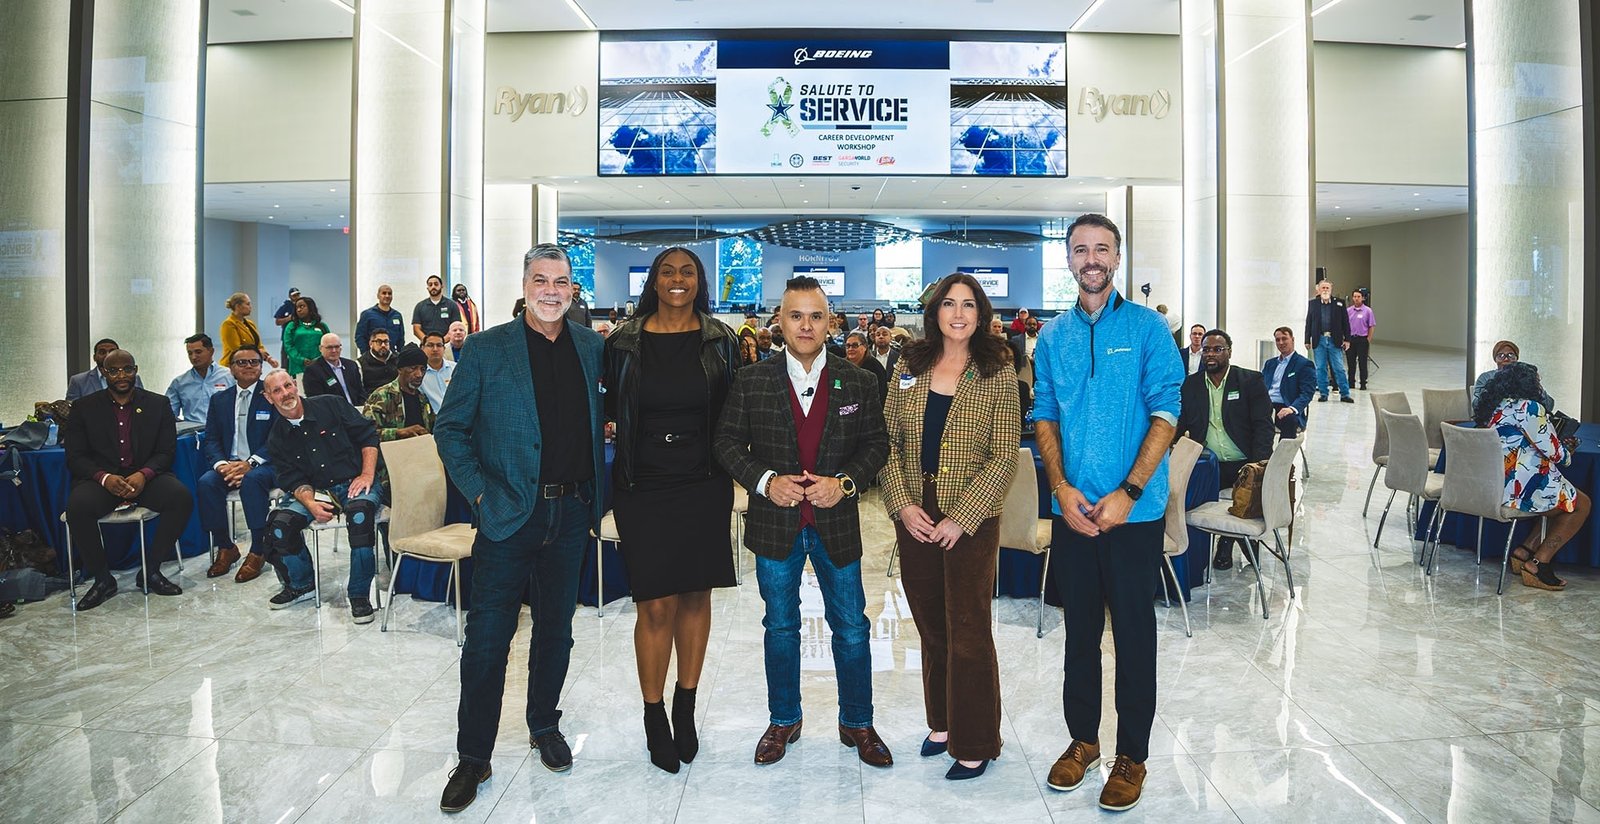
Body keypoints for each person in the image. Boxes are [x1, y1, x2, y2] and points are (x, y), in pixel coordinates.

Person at [435, 244, 605, 811]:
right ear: (525, 285)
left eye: (561, 281)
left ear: (572, 288)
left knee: (556, 630)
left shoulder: (591, 347)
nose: (551, 291)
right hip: (508, 514)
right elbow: (450, 429)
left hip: (571, 512)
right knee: (488, 640)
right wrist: (481, 494)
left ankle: (543, 724)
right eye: (540, 280)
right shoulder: (486, 349)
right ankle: (473, 757)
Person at [712, 275, 892, 771]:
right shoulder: (752, 380)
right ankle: (784, 719)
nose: (806, 325)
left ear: (831, 322)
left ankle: (857, 721)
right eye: (796, 315)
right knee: (781, 626)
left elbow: (876, 444)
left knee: (851, 627)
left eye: (816, 316)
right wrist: (766, 481)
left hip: (837, 524)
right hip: (775, 525)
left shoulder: (858, 380)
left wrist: (845, 483)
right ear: (780, 321)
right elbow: (726, 442)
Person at [1033, 214, 1182, 812]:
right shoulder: (1052, 337)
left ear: (1117, 258)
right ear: (1069, 259)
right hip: (1073, 512)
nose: (1090, 259)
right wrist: (1060, 487)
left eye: (1101, 249)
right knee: (1079, 635)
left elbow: (1166, 412)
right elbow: (1044, 414)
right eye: (1080, 250)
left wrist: (1130, 491)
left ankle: (1133, 755)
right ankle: (1084, 742)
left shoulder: (1148, 328)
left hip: (1133, 516)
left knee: (1135, 637)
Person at [603, 245, 739, 775]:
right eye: (667, 271)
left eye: (687, 272)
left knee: (695, 595)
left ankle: (686, 704)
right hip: (643, 485)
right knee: (655, 604)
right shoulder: (623, 343)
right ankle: (653, 713)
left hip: (704, 483)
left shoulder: (721, 340)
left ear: (699, 281)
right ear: (654, 282)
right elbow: (605, 407)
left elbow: (736, 410)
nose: (677, 279)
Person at [881, 273, 1019, 781]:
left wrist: (962, 517)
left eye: (968, 305)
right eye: (948, 304)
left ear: (981, 314)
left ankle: (976, 739)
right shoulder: (909, 364)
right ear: (934, 311)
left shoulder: (997, 369)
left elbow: (1005, 455)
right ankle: (941, 722)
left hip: (971, 515)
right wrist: (902, 504)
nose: (958, 314)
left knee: (968, 628)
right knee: (929, 622)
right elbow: (887, 441)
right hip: (916, 512)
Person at [63, 349, 194, 609]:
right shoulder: (84, 407)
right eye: (114, 370)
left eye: (127, 369)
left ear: (136, 370)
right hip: (103, 481)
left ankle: (150, 571)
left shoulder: (158, 404)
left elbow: (166, 452)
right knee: (77, 507)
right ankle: (103, 580)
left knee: (181, 498)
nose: (121, 375)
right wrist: (104, 478)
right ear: (103, 372)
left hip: (146, 477)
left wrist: (144, 474)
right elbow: (75, 457)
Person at [258, 370, 382, 623]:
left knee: (360, 517)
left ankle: (359, 594)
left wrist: (367, 474)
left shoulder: (332, 404)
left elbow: (368, 435)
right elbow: (293, 479)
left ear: (296, 385)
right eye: (277, 391)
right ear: (268, 397)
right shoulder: (276, 437)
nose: (285, 394)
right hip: (316, 490)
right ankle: (302, 585)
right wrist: (311, 504)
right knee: (280, 525)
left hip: (354, 480)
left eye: (288, 386)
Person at [1476, 363, 1592, 591]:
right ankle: (1538, 564)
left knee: (1559, 501)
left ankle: (1524, 551)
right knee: (1581, 505)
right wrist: (1568, 451)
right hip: (1519, 489)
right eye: (1538, 381)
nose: (1540, 385)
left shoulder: (1497, 407)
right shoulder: (1530, 408)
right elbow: (1555, 453)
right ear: (1528, 384)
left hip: (1495, 484)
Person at [1176, 329, 1274, 570]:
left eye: (1217, 349)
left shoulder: (1250, 381)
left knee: (1241, 499)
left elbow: (1263, 426)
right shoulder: (1191, 385)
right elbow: (1180, 424)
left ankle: (1227, 542)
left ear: (1229, 352)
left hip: (1244, 463)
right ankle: (1198, 553)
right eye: (1206, 349)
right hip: (1209, 465)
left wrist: (1258, 464)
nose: (1211, 354)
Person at [196, 344, 278, 581]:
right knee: (206, 483)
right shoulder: (219, 399)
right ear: (231, 368)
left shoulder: (272, 394)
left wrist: (251, 463)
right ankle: (226, 547)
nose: (248, 366)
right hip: (229, 464)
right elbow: (211, 438)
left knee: (252, 480)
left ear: (261, 367)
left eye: (254, 362)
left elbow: (278, 437)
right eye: (242, 362)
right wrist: (221, 465)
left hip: (265, 465)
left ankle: (258, 549)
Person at [362, 344, 434, 507]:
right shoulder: (382, 396)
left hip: (421, 465)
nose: (419, 374)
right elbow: (366, 436)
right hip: (390, 469)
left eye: (422, 369)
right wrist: (399, 432)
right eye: (413, 368)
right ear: (400, 369)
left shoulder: (422, 399)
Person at [1262, 326, 1317, 442]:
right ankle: (1260, 452)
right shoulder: (1269, 364)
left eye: (1284, 338)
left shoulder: (1304, 364)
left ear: (1292, 339)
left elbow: (1307, 393)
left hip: (1286, 405)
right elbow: (1260, 387)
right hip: (1266, 404)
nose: (1281, 343)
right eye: (1278, 340)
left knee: (1289, 420)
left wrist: (1292, 408)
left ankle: (1284, 453)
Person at [165, 333, 234, 424]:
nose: (193, 357)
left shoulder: (230, 376)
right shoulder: (179, 383)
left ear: (211, 351)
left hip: (223, 430)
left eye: (198, 352)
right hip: (193, 431)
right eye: (190, 353)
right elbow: (167, 414)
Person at [1305, 280, 1353, 403]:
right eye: (1323, 288)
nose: (1325, 290)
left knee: (1339, 368)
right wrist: (1307, 339)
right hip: (1319, 340)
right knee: (1320, 368)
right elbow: (1309, 322)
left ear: (1331, 290)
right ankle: (1323, 393)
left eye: (1327, 288)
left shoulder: (1339, 303)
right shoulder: (1313, 304)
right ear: (1318, 290)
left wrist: (1347, 339)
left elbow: (1345, 323)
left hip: (1334, 340)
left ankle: (1345, 394)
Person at [1472, 340, 1555, 409]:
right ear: (1495, 359)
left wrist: (1534, 384)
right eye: (1500, 356)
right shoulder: (1485, 377)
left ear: (1516, 358)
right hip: (1494, 420)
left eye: (1510, 355)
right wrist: (1495, 389)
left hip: (1524, 419)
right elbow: (1476, 405)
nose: (1506, 359)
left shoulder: (1524, 376)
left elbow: (1549, 405)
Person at [66, 338, 143, 400]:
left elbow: (142, 401)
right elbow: (72, 409)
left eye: (112, 351)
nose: (107, 355)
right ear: (94, 357)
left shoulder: (133, 378)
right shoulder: (78, 381)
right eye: (102, 352)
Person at [303, 333, 367, 406]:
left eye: (337, 347)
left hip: (357, 409)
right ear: (320, 349)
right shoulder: (313, 371)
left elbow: (361, 392)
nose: (334, 350)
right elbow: (316, 400)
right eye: (329, 347)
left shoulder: (351, 365)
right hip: (332, 411)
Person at [219, 292, 278, 368]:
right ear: (238, 306)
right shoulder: (229, 324)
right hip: (234, 366)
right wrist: (257, 353)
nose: (250, 307)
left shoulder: (250, 324)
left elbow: (259, 345)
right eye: (248, 304)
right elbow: (236, 349)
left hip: (250, 365)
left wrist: (268, 358)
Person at [281, 295, 330, 378]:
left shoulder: (322, 326)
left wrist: (318, 359)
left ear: (310, 308)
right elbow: (288, 346)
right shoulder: (292, 326)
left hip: (320, 366)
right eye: (297, 308)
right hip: (298, 367)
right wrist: (301, 360)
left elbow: (328, 344)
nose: (298, 310)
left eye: (302, 306)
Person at [355, 284, 405, 355]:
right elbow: (359, 336)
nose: (387, 296)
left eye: (389, 294)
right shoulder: (367, 314)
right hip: (373, 356)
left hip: (392, 356)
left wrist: (400, 355)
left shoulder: (397, 315)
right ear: (378, 296)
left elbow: (401, 338)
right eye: (384, 293)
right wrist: (366, 354)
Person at [843, 330, 887, 405]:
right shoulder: (841, 366)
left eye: (855, 345)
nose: (850, 349)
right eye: (848, 346)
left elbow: (881, 395)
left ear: (865, 347)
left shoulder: (875, 367)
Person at [412, 274, 461, 341]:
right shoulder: (420, 306)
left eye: (436, 284)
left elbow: (456, 327)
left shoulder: (452, 305)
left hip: (447, 344)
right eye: (430, 285)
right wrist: (427, 342)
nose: (433, 287)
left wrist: (442, 341)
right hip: (426, 344)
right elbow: (416, 329)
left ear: (442, 286)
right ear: (427, 288)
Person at [1345, 288, 1375, 390]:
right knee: (1351, 362)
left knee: (1362, 362)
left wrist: (1368, 339)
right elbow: (1345, 325)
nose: (1356, 298)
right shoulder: (1348, 311)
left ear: (1363, 298)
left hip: (1362, 339)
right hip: (1351, 339)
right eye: (1355, 296)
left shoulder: (1368, 311)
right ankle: (1351, 382)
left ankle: (1363, 383)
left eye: (1358, 297)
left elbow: (1371, 326)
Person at [419, 332, 455, 413]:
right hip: (432, 418)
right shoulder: (418, 374)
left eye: (439, 345)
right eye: (430, 345)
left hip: (457, 415)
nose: (435, 349)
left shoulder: (456, 369)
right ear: (422, 348)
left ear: (444, 348)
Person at [272, 287, 301, 368]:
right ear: (290, 296)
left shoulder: (302, 306)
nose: (296, 297)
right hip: (287, 335)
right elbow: (277, 322)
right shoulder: (285, 307)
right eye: (294, 295)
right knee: (285, 353)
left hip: (299, 335)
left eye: (298, 295)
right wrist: (288, 318)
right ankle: (285, 369)